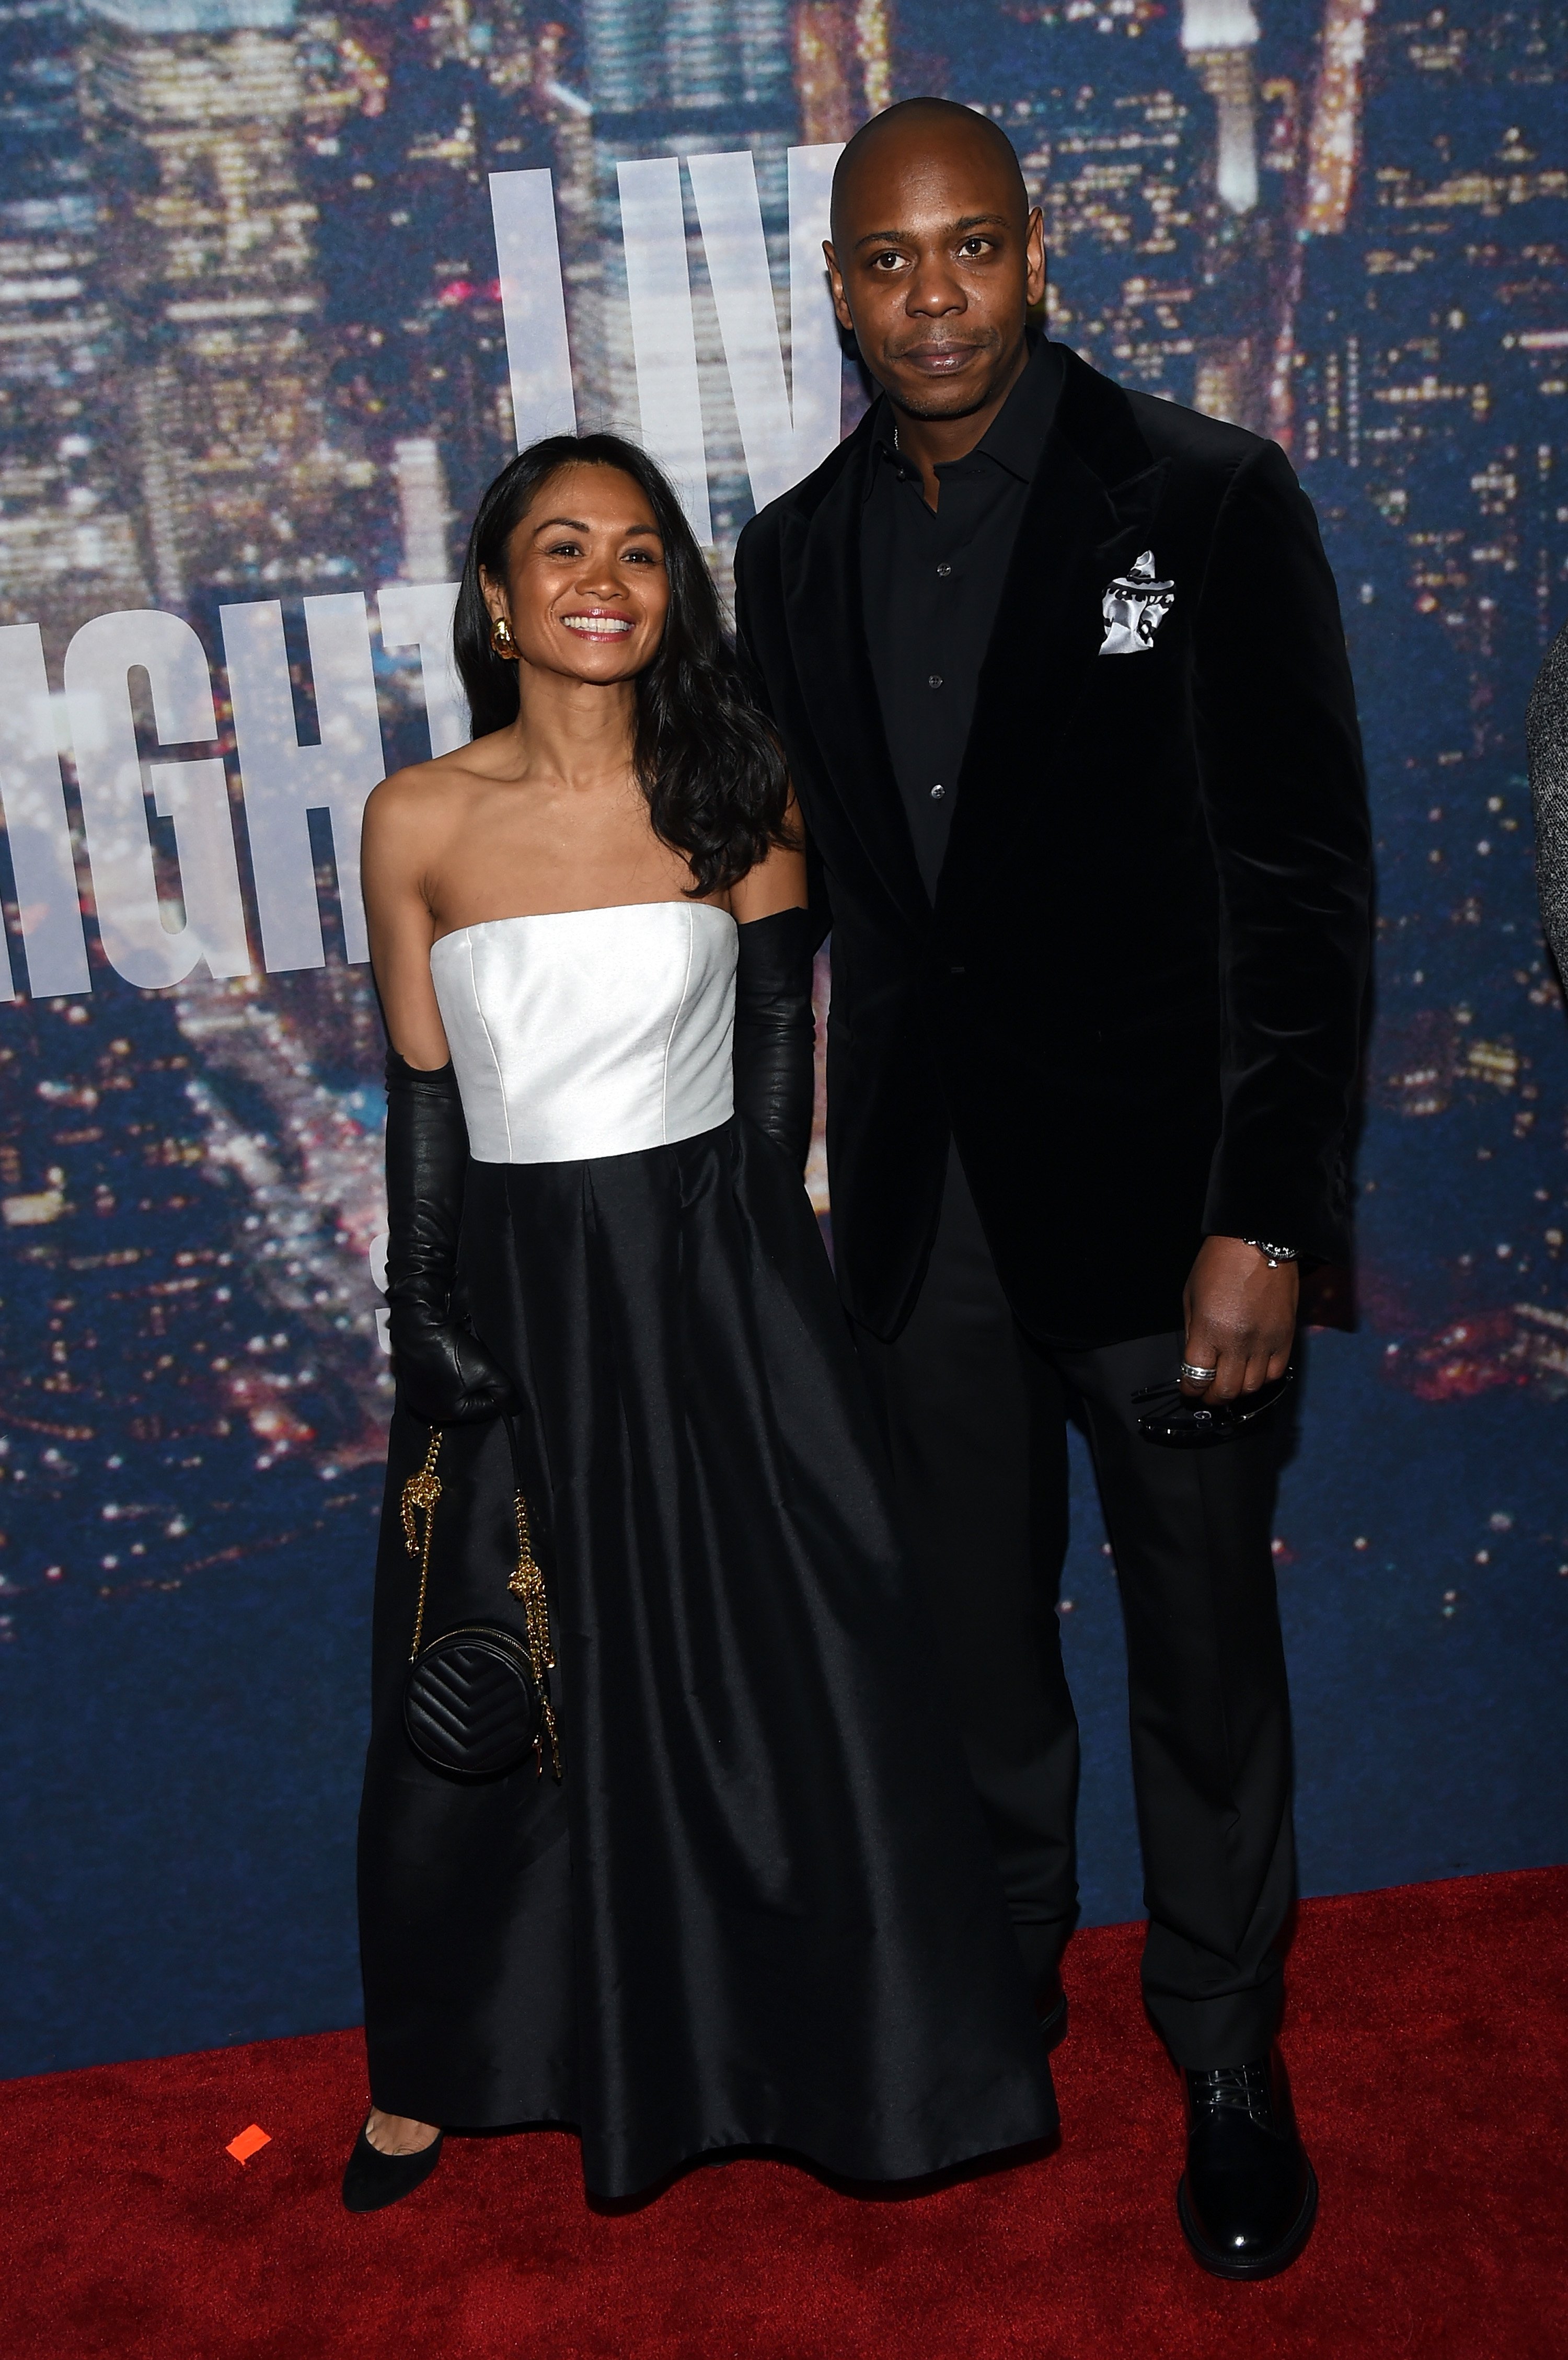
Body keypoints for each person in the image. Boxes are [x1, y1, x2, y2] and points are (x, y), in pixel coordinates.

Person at [733, 99, 1372, 2280]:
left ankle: (1220, 2040)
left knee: (1202, 1645)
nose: (933, 296)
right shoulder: (792, 553)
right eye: (890, 262)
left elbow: (1298, 894)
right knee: (975, 1654)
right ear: (838, 288)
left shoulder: (1198, 499)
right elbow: (803, 911)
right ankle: (1006, 1989)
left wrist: (1267, 1215)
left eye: (971, 250)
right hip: (926, 1225)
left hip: (1166, 1215)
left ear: (1038, 257)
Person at [344, 430, 1058, 2213]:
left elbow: (772, 1070)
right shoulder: (417, 818)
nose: (603, 579)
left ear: (675, 593)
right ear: (497, 598)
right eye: (561, 549)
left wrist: (750, 1279)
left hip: (722, 1279)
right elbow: (426, 1096)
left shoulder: (743, 788)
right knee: (495, 1692)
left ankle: (847, 2049)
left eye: (641, 550)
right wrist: (417, 1306)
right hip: (517, 1298)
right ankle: (451, 2061)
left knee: (794, 1674)